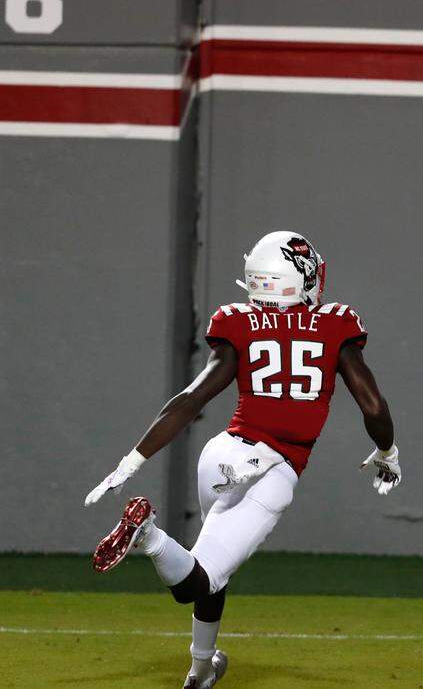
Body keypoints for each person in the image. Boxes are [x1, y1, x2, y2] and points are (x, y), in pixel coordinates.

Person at [83, 231, 402, 688]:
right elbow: (372, 407)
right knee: (199, 579)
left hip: (223, 455)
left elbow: (191, 400)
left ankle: (199, 670)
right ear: (304, 277)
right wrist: (387, 452)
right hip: (272, 471)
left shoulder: (239, 321)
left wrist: (132, 459)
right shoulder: (335, 324)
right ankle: (148, 533)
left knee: (215, 565)